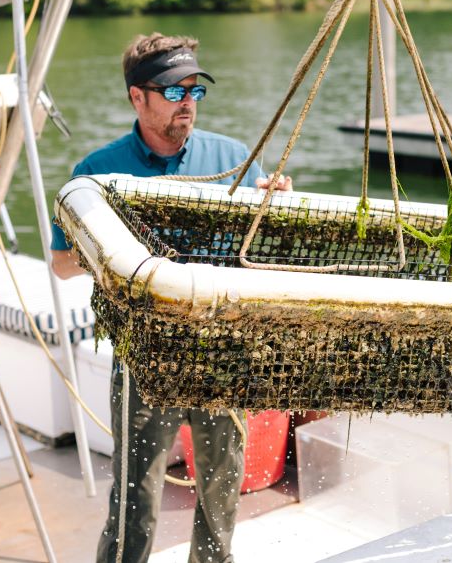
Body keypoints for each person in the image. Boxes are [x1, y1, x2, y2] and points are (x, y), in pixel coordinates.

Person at [50, 32, 292, 563]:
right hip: (144, 354)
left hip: (221, 352)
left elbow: (265, 247)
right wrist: (111, 251)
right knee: (135, 493)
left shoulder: (233, 159)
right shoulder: (95, 172)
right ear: (137, 97)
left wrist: (275, 204)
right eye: (173, 91)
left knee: (222, 487)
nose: (188, 103)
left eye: (195, 91)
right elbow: (62, 265)